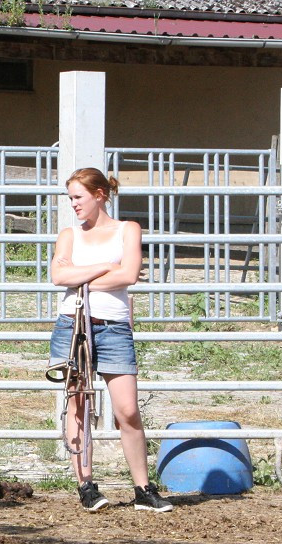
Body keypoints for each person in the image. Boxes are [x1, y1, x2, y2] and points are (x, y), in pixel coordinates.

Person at [49, 167, 172, 513]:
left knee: (127, 410)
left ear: (100, 195)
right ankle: (85, 484)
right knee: (77, 403)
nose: (74, 204)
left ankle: (142, 488)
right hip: (73, 325)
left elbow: (129, 274)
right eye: (71, 198)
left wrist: (81, 277)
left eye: (79, 197)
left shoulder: (127, 230)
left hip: (114, 327)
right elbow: (58, 275)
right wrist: (105, 268)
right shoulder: (69, 235)